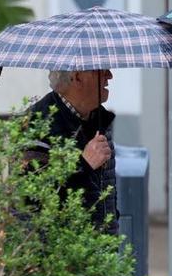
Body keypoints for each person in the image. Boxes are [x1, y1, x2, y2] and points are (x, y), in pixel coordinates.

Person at [24, 69, 117, 233]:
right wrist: (83, 165)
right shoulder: (37, 125)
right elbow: (33, 203)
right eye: (100, 70)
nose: (109, 75)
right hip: (58, 252)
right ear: (77, 77)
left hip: (100, 249)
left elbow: (107, 194)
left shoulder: (99, 119)